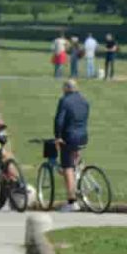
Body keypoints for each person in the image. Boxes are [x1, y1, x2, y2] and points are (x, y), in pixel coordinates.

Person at [53, 79, 91, 212]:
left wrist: (58, 137)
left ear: (66, 89)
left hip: (69, 137)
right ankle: (80, 179)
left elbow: (59, 120)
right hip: (83, 136)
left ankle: (72, 201)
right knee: (75, 160)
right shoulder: (84, 100)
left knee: (67, 167)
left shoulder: (65, 101)